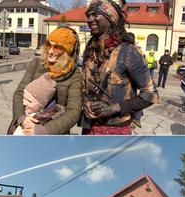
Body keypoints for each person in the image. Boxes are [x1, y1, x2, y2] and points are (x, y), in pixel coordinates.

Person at [81, 0, 159, 135]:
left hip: (116, 130)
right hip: (89, 127)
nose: (90, 19)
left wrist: (114, 108)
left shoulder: (129, 52)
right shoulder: (90, 52)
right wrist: (85, 103)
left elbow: (151, 95)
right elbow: (83, 87)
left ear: (110, 18)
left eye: (95, 14)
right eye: (88, 16)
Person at [12, 26, 82, 135]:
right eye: (49, 45)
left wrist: (45, 130)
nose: (50, 51)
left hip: (53, 135)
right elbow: (19, 93)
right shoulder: (36, 64)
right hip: (26, 125)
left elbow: (74, 111)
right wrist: (22, 118)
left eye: (57, 47)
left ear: (67, 51)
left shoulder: (74, 74)